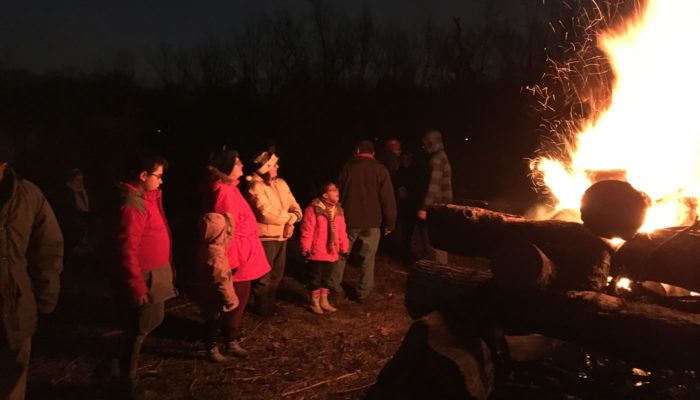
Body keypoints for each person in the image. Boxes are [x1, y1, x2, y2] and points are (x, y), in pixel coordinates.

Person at [0, 135, 63, 400]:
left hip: (16, 311)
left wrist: (44, 297)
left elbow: (48, 249)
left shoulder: (29, 196)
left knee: (12, 385)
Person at [113, 153, 177, 399]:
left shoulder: (145, 198)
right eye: (158, 176)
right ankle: (127, 383)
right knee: (139, 328)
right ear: (143, 176)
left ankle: (113, 366)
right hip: (145, 276)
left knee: (151, 321)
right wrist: (136, 284)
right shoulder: (132, 205)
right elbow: (126, 248)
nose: (161, 182)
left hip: (155, 273)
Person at [201, 147, 269, 357]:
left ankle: (231, 339)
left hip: (244, 256)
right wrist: (232, 262)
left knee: (238, 302)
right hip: (234, 259)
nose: (241, 165)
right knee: (223, 302)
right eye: (237, 162)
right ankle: (212, 343)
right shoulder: (223, 193)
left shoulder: (232, 189)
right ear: (227, 168)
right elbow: (223, 233)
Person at [329, 140, 396, 302]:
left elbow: (337, 194)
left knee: (341, 254)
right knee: (368, 258)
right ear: (373, 154)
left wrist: (333, 217)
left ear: (357, 151)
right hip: (372, 221)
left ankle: (333, 288)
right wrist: (390, 222)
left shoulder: (347, 168)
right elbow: (388, 198)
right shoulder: (380, 170)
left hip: (348, 220)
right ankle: (364, 292)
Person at [246, 150, 302, 316]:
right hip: (265, 237)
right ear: (266, 167)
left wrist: (291, 219)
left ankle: (270, 307)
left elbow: (294, 205)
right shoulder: (255, 187)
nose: (277, 166)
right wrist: (289, 219)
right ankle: (262, 309)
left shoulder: (281, 183)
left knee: (277, 275)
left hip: (282, 235)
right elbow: (266, 214)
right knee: (264, 277)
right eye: (273, 164)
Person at [194, 213, 239, 362]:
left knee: (224, 320)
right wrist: (230, 299)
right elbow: (221, 281)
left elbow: (226, 239)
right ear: (219, 234)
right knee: (213, 323)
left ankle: (230, 341)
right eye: (224, 230)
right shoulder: (215, 257)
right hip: (215, 298)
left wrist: (229, 223)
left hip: (209, 295)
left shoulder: (209, 245)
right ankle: (212, 348)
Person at [299, 182, 349, 314]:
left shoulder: (338, 210)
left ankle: (324, 301)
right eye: (332, 190)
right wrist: (305, 248)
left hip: (331, 250)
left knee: (326, 278)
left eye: (337, 189)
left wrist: (344, 248)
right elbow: (307, 230)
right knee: (315, 278)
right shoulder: (314, 209)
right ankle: (314, 302)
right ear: (325, 195)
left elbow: (342, 231)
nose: (337, 192)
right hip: (317, 250)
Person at [414, 130, 453, 264]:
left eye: (426, 143)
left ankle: (437, 269)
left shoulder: (436, 159)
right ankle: (439, 267)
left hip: (436, 205)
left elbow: (433, 186)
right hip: (443, 203)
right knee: (439, 238)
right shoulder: (443, 156)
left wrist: (424, 207)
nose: (424, 147)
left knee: (434, 239)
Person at [53, 168, 91, 256]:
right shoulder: (65, 194)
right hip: (71, 226)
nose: (80, 182)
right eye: (77, 180)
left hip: (84, 223)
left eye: (81, 180)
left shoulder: (84, 192)